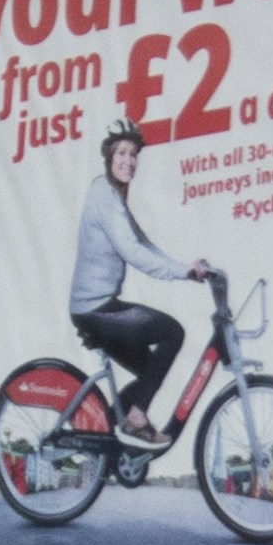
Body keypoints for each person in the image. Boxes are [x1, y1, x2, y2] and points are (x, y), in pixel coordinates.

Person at [66, 117, 215, 450]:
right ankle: (134, 419)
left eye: (133, 155)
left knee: (151, 373)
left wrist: (186, 268)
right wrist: (183, 273)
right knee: (172, 333)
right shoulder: (104, 196)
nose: (128, 161)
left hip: (98, 307)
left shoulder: (114, 195)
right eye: (121, 153)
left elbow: (143, 241)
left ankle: (112, 434)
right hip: (96, 310)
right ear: (109, 157)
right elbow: (132, 251)